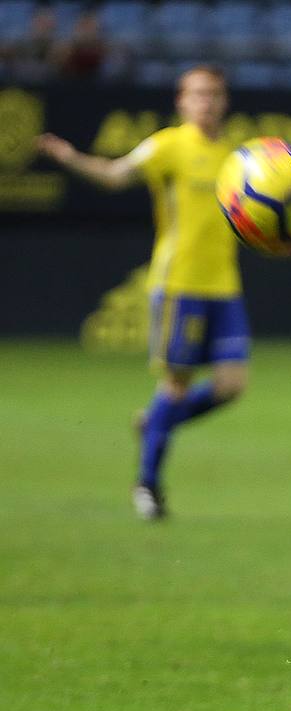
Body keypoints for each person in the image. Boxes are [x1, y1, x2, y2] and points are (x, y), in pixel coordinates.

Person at [36, 65, 246, 520]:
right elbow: (115, 175)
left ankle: (153, 423)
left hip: (224, 285)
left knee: (232, 386)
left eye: (214, 94)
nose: (207, 102)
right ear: (182, 101)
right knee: (176, 383)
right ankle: (147, 485)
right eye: (198, 94)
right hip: (178, 285)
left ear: (224, 101)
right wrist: (72, 158)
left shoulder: (236, 157)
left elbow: (253, 218)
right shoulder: (169, 145)